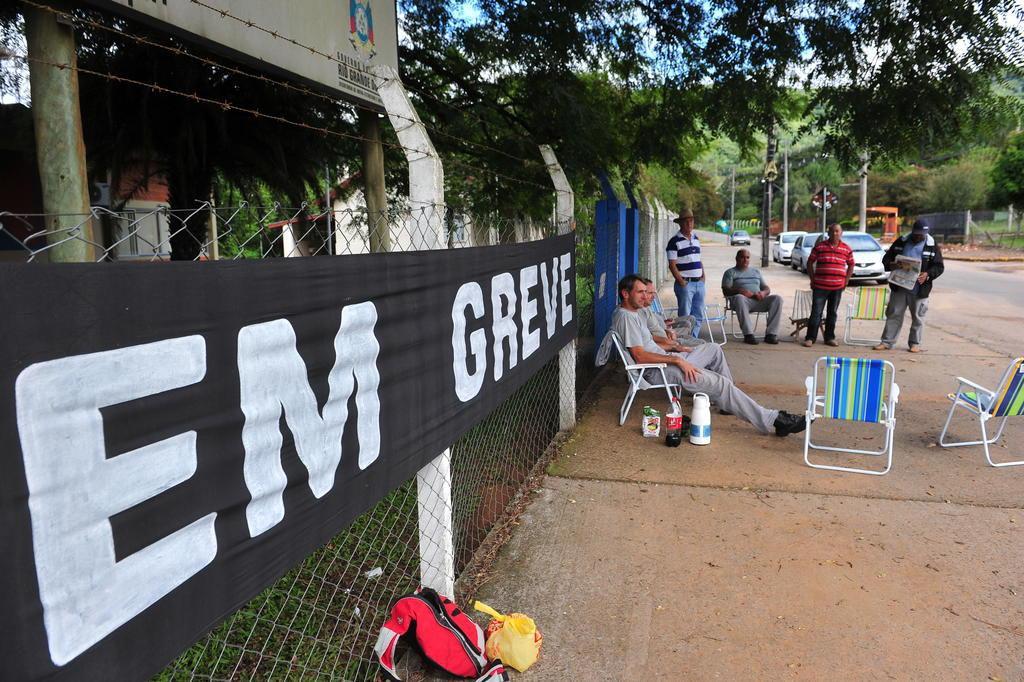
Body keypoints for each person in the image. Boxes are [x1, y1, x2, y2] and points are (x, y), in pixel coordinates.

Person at [612, 274, 806, 437]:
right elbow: (640, 356)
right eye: (641, 292)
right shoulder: (626, 317)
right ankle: (773, 420)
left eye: (646, 292)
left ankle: (727, 400)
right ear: (625, 294)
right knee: (720, 384)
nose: (645, 296)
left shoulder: (633, 313)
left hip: (666, 360)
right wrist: (677, 359)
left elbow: (649, 343)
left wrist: (675, 349)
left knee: (713, 349)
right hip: (657, 370)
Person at [873, 219, 944, 353]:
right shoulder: (902, 241)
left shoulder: (931, 245)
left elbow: (939, 266)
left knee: (918, 317)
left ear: (926, 233)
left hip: (919, 289)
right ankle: (887, 342)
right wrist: (891, 265)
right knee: (894, 314)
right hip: (899, 286)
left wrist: (927, 274)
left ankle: (914, 344)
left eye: (921, 234)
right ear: (912, 231)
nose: (919, 237)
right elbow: (886, 259)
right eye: (917, 234)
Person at [803, 223, 854, 348]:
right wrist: (812, 279)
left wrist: (846, 281)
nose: (834, 233)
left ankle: (829, 337)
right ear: (828, 233)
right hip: (820, 286)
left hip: (837, 287)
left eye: (837, 231)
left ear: (841, 233)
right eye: (832, 231)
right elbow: (810, 262)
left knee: (832, 313)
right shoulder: (820, 247)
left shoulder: (846, 248)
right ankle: (810, 338)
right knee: (816, 312)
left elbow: (851, 264)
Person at [720, 249, 783, 345]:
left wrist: (763, 293)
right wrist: (739, 291)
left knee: (777, 299)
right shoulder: (730, 272)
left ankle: (771, 335)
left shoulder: (756, 272)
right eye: (742, 257)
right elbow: (725, 290)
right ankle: (748, 335)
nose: (745, 260)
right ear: (736, 259)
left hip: (758, 300)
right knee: (739, 298)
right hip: (741, 302)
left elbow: (766, 288)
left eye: (747, 257)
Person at [666, 208, 705, 338]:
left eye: (691, 221)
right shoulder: (674, 241)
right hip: (685, 284)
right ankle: (683, 340)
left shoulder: (696, 238)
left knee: (698, 315)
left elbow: (698, 259)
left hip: (699, 283)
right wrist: (681, 281)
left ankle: (693, 339)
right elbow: (672, 265)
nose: (689, 224)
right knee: (685, 317)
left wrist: (703, 275)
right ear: (680, 223)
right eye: (686, 222)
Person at [640, 278, 705, 349]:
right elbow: (647, 337)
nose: (653, 296)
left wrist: (666, 328)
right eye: (650, 293)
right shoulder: (637, 314)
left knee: (692, 324)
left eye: (654, 293)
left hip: (669, 335)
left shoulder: (647, 308)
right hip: (668, 342)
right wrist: (673, 343)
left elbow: (653, 328)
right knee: (703, 344)